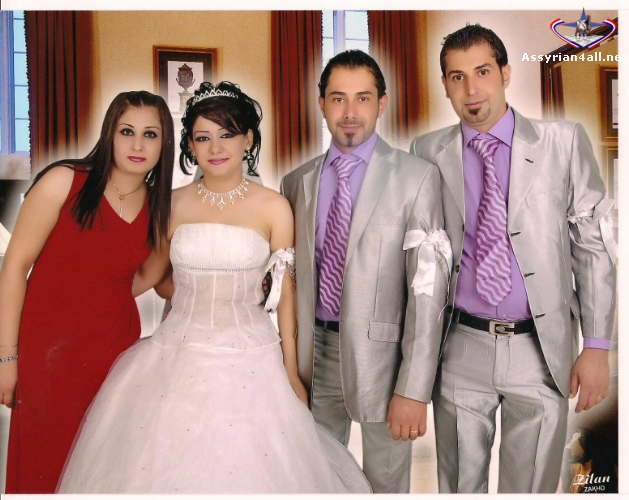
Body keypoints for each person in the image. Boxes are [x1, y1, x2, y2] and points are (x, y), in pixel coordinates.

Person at [57, 81, 371, 494]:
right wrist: (83, 292)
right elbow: (155, 278)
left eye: (227, 134)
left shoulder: (274, 207)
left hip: (253, 359)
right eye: (203, 137)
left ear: (248, 139)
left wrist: (291, 371)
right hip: (176, 353)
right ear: (190, 145)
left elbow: (286, 296)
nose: (216, 147)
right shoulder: (171, 203)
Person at [410, 24, 616, 493]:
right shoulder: (426, 151)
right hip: (460, 346)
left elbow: (591, 248)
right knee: (459, 487)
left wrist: (597, 345)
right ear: (445, 84)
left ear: (505, 73)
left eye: (483, 71)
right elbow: (420, 259)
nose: (472, 89)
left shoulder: (563, 142)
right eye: (457, 76)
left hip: (539, 350)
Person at [281, 50, 450, 493]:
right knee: (316, 476)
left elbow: (428, 292)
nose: (350, 112)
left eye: (363, 98)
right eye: (338, 98)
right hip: (314, 355)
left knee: (386, 482)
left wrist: (414, 388)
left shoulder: (417, 177)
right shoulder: (296, 183)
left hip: (385, 360)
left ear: (382, 103)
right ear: (321, 104)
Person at [0, 90, 175, 493]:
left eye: (150, 134)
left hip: (114, 355)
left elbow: (146, 275)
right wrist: (7, 357)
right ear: (109, 133)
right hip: (49, 354)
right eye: (127, 131)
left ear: (164, 143)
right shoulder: (64, 180)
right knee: (44, 465)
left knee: (103, 473)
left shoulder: (159, 208)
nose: (137, 145)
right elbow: (14, 268)